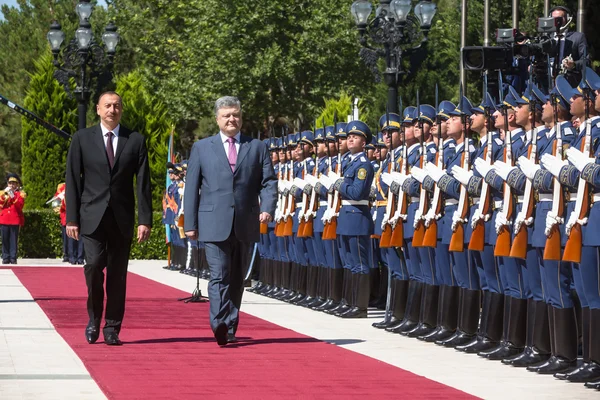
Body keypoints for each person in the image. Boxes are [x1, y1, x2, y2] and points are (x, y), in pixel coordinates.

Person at [184, 96, 277, 346]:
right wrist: (190, 224)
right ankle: (219, 322)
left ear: (241, 117)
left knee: (237, 278)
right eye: (226, 115)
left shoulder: (256, 147)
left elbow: (268, 181)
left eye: (235, 114)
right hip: (213, 223)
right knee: (219, 276)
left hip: (245, 222)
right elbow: (192, 187)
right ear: (217, 119)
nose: (231, 119)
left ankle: (232, 324)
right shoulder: (202, 148)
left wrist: (267, 208)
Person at [65, 91, 153, 346]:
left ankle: (112, 327)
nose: (112, 110)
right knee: (93, 266)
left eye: (116, 106)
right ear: (97, 109)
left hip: (121, 218)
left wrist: (144, 220)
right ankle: (93, 320)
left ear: (121, 110)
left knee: (117, 275)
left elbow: (143, 184)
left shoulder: (135, 140)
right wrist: (72, 219)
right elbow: (72, 179)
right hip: (91, 216)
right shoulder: (82, 139)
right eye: (107, 106)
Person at [0, 173, 26, 264]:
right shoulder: (2, 193)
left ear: (17, 184)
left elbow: (19, 206)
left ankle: (13, 257)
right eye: (10, 183)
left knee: (13, 240)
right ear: (7, 184)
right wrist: (5, 194)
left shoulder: (21, 194)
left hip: (14, 219)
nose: (12, 185)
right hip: (4, 219)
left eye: (14, 183)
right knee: (4, 239)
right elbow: (1, 204)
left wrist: (12, 194)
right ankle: (5, 257)